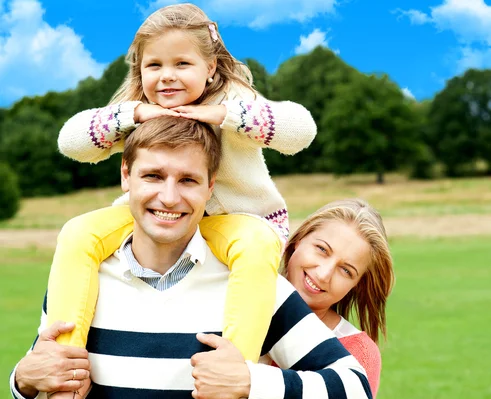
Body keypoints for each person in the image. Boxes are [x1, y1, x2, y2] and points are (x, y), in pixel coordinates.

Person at [10, 116, 372, 399]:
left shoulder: (255, 287)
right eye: (153, 175)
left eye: (187, 180)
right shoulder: (84, 279)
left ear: (210, 186)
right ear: (126, 175)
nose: (168, 197)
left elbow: (356, 388)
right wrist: (22, 381)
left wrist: (250, 381)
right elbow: (41, 374)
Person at [48, 2, 317, 366]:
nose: (167, 76)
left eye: (182, 64)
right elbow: (70, 141)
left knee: (256, 246)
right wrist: (134, 114)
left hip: (237, 221)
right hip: (154, 215)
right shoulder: (137, 112)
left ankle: (233, 366)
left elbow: (302, 130)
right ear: (140, 70)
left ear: (209, 68)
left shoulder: (231, 103)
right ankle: (64, 360)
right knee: (78, 232)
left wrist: (225, 116)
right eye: (154, 65)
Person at [276, 199, 395, 397]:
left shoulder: (358, 354)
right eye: (322, 249)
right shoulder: (230, 296)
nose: (324, 274)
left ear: (356, 285)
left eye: (346, 270)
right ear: (298, 240)